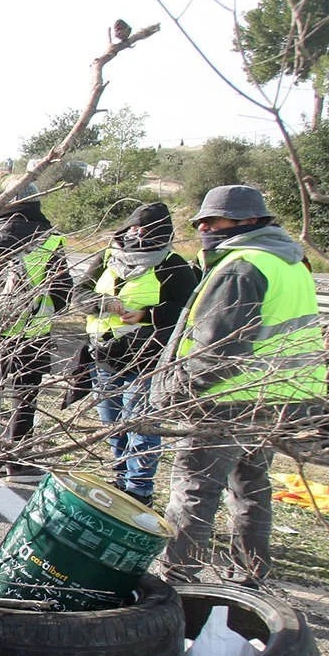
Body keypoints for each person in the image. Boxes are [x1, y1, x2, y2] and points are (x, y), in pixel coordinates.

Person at [153, 184, 325, 585]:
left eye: (216, 221)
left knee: (195, 490)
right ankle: (251, 576)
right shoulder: (290, 262)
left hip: (228, 398)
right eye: (202, 222)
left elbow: (216, 350)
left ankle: (177, 579)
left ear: (250, 221)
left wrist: (172, 394)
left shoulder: (241, 266)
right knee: (251, 486)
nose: (207, 228)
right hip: (277, 396)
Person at [79, 201, 199, 503]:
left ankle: (138, 488)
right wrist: (102, 303)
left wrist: (147, 315)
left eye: (146, 230)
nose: (138, 233)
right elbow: (76, 294)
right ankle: (120, 475)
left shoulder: (172, 264)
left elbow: (186, 309)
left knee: (141, 426)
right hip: (104, 356)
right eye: (134, 227)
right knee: (112, 422)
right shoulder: (107, 257)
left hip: (146, 359)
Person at [0, 190, 71, 474]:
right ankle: (17, 456)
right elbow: (62, 291)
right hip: (33, 331)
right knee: (25, 394)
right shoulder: (49, 240)